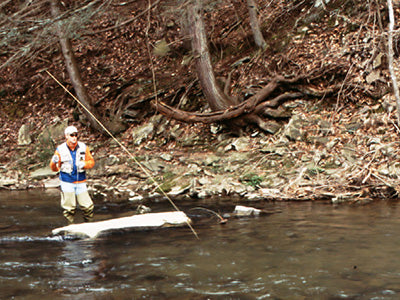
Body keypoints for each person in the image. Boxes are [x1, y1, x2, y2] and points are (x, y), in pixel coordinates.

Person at [50, 125, 95, 224]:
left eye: (76, 135)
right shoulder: (60, 149)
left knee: (88, 207)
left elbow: (91, 162)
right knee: (69, 209)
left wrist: (84, 164)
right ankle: (69, 229)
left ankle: (89, 225)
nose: (74, 137)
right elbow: (54, 169)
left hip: (81, 182)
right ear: (66, 136)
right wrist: (53, 162)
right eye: (72, 135)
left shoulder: (83, 147)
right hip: (67, 182)